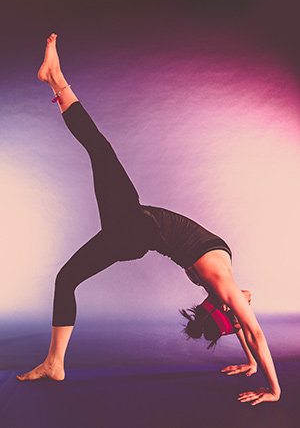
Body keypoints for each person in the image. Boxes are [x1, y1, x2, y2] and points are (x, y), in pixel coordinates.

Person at [17, 34, 281, 406]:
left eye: (236, 312)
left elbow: (252, 331)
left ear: (222, 306)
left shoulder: (222, 283)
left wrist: (274, 388)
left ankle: (57, 79)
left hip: (133, 225)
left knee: (99, 149)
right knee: (67, 278)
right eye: (240, 312)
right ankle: (55, 364)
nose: (246, 305)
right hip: (131, 233)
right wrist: (250, 364)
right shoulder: (221, 287)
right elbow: (243, 327)